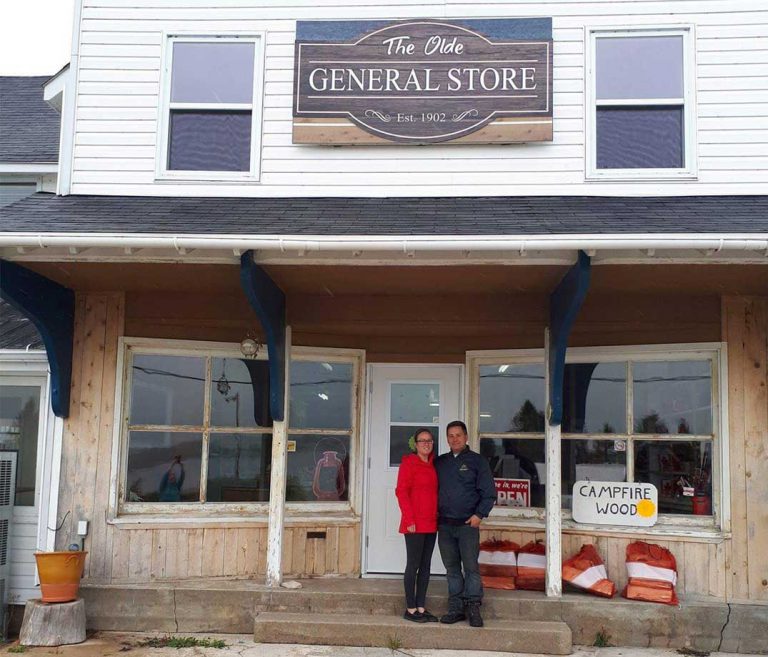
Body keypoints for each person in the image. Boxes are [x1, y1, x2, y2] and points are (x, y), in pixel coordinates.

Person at [434, 420, 496, 628]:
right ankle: (455, 608)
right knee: (451, 568)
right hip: (444, 525)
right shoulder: (440, 462)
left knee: (470, 567)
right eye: (450, 436)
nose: (454, 439)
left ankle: (473, 607)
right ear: (447, 439)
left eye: (458, 435)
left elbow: (489, 494)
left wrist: (480, 514)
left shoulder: (478, 462)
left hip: (468, 525)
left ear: (466, 437)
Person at [395, 428, 439, 623]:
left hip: (431, 522)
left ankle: (421, 606)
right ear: (415, 443)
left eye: (429, 440)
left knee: (426, 565)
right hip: (414, 523)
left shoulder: (433, 464)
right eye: (422, 441)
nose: (426, 444)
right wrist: (409, 519)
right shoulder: (408, 463)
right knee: (413, 565)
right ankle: (411, 608)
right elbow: (401, 492)